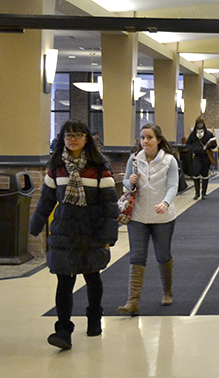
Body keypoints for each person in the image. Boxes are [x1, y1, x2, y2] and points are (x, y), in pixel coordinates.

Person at [29, 119, 118, 350]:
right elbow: (47, 200)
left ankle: (94, 318)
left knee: (92, 277)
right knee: (64, 282)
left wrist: (109, 235)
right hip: (64, 232)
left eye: (78, 135)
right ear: (63, 140)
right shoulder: (57, 167)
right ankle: (63, 330)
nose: (73, 139)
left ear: (86, 138)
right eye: (69, 136)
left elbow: (110, 205)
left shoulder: (99, 167)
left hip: (91, 231)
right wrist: (35, 226)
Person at [118, 123, 179, 316]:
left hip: (162, 217)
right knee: (137, 256)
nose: (145, 141)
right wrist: (130, 181)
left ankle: (167, 291)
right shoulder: (134, 159)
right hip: (137, 216)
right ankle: (132, 301)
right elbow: (126, 182)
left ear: (158, 140)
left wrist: (166, 203)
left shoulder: (169, 161)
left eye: (149, 137)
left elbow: (173, 185)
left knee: (163, 255)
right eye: (142, 137)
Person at [186, 116, 217, 200]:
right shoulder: (193, 134)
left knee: (205, 174)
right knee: (195, 173)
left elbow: (215, 144)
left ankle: (204, 193)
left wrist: (210, 145)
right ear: (196, 124)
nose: (200, 125)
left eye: (201, 123)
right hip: (197, 156)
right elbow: (188, 143)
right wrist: (193, 149)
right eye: (199, 123)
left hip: (206, 156)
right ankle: (197, 193)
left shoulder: (208, 134)